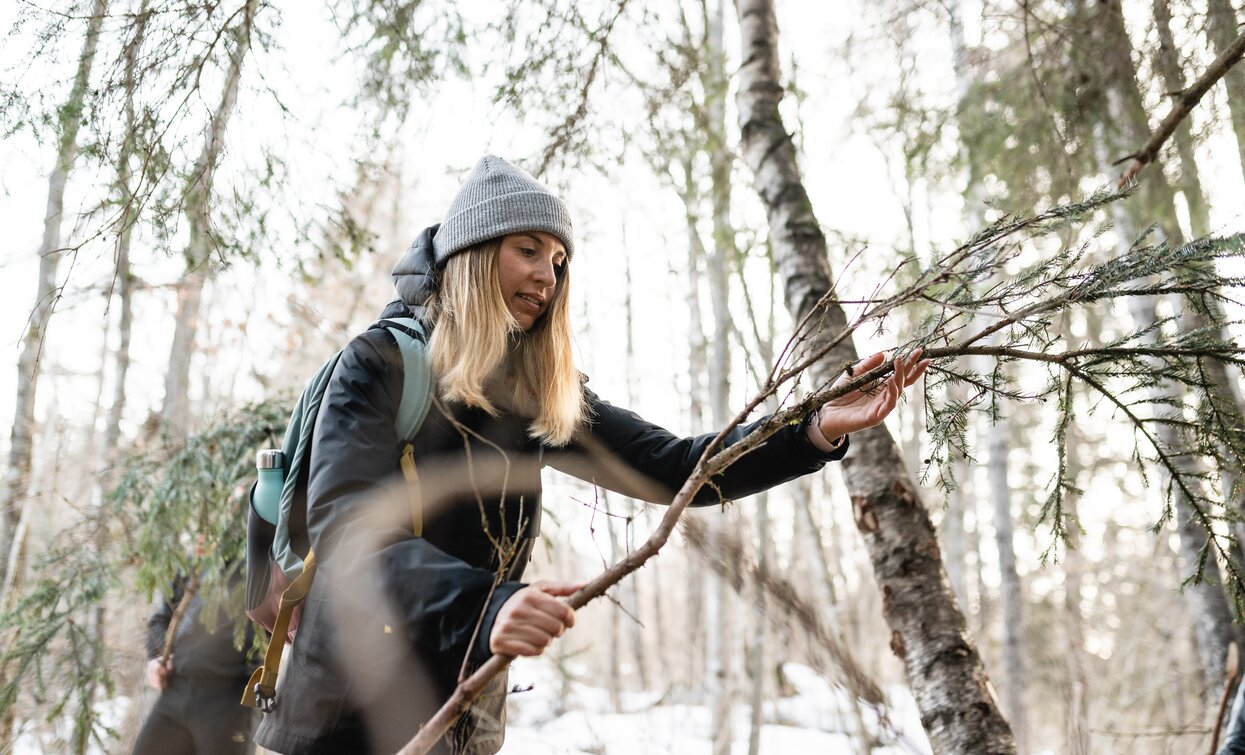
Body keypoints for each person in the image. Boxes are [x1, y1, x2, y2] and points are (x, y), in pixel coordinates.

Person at [253, 155, 928, 755]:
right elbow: (347, 532)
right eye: (527, 250)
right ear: (475, 253)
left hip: (463, 719)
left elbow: (673, 467)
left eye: (558, 260)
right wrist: (490, 605)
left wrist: (811, 429)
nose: (548, 273)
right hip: (349, 716)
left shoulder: (536, 393)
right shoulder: (378, 364)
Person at [133, 573, 258, 755]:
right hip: (175, 691)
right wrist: (158, 656)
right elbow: (161, 619)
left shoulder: (262, 560)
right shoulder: (196, 564)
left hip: (230, 701)